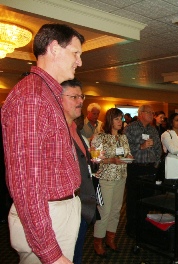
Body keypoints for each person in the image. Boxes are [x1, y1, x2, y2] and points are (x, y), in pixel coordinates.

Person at [1, 24, 84, 264]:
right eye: (76, 53)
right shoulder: (33, 98)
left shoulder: (47, 94)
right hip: (48, 215)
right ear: (54, 48)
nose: (79, 62)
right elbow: (27, 185)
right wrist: (50, 253)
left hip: (59, 210)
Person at [61, 79, 98, 264]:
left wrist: (93, 167)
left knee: (77, 254)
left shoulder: (76, 129)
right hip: (64, 207)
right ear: (58, 99)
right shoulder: (56, 130)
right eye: (74, 97)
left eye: (81, 96)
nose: (80, 101)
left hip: (81, 203)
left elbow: (83, 161)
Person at [91, 108, 132, 256]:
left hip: (121, 176)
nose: (120, 122)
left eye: (121, 119)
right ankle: (98, 242)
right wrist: (111, 160)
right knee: (105, 211)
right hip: (105, 178)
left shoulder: (123, 137)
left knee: (116, 210)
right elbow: (95, 159)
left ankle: (110, 238)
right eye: (116, 119)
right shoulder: (100, 137)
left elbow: (127, 152)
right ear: (109, 120)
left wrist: (129, 156)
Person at [124, 104, 162, 238]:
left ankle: (144, 226)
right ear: (141, 114)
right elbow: (124, 149)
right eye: (149, 112)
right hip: (135, 168)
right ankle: (132, 228)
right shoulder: (130, 128)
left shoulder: (153, 130)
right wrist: (141, 146)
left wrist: (156, 164)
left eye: (153, 113)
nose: (152, 115)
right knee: (133, 199)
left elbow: (158, 148)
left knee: (147, 199)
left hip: (150, 168)